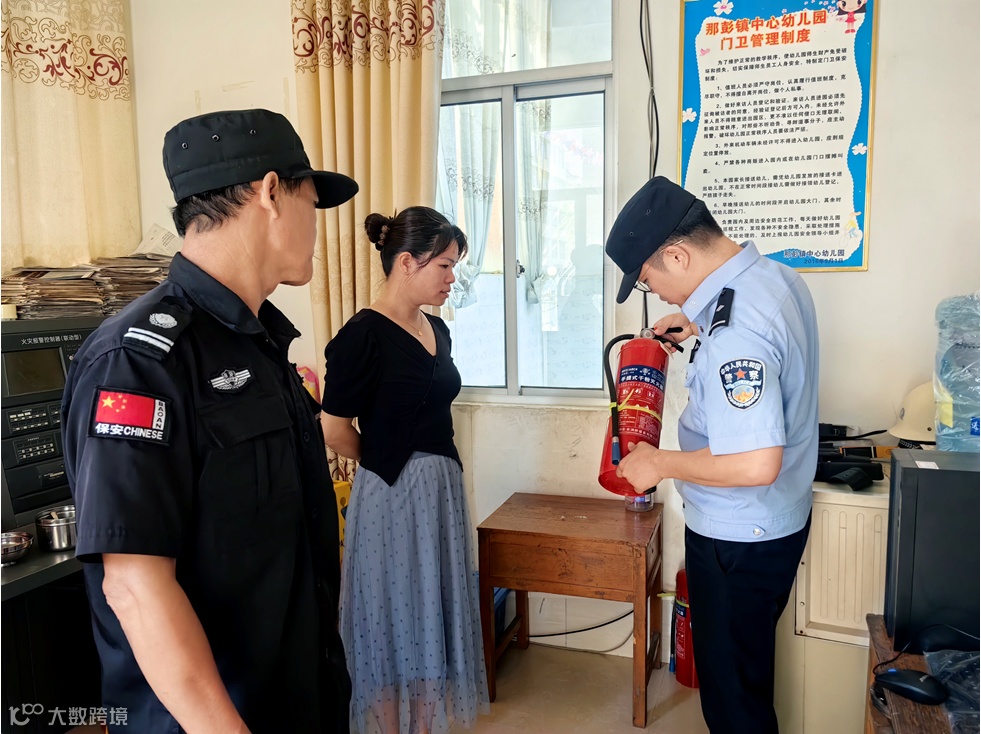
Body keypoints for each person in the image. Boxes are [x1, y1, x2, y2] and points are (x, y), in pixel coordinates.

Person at [61, 109, 358, 733]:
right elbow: (134, 586)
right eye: (311, 202)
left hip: (296, 695)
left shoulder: (260, 344)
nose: (317, 225)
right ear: (271, 193)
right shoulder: (139, 362)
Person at [607, 177, 819, 734]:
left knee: (732, 705)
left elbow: (755, 464)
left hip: (736, 539)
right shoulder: (773, 279)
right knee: (747, 676)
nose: (657, 293)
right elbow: (758, 338)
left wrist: (659, 462)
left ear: (678, 255)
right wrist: (698, 325)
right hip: (776, 524)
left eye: (649, 279)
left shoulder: (735, 334)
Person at [321, 207, 489, 734]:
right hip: (391, 492)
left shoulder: (437, 329)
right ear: (407, 262)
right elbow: (332, 428)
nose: (451, 277)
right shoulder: (362, 335)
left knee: (431, 615)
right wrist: (384, 457)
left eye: (454, 265)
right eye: (444, 265)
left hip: (441, 492)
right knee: (392, 620)